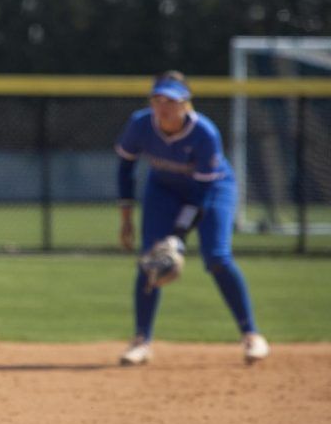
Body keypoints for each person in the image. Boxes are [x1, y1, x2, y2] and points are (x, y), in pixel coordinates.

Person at [115, 71, 269, 366]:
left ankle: (251, 335)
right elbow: (125, 167)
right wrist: (126, 218)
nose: (163, 107)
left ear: (186, 104)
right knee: (150, 261)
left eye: (171, 101)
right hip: (163, 189)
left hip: (212, 190)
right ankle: (141, 341)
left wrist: (177, 237)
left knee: (217, 257)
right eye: (157, 99)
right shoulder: (140, 124)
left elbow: (200, 195)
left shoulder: (204, 133)